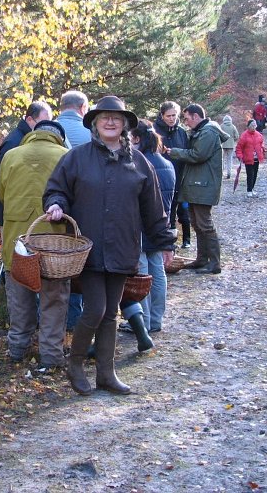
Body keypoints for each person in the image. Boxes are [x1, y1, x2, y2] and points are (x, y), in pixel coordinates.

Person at [44, 96, 175, 396]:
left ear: (126, 124)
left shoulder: (139, 162)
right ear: (94, 123)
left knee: (110, 312)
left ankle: (106, 373)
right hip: (87, 249)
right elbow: (56, 190)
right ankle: (75, 365)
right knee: (95, 309)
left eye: (117, 118)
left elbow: (154, 210)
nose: (111, 121)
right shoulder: (76, 158)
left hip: (123, 248)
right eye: (104, 117)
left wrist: (165, 243)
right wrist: (55, 205)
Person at [0, 120, 70, 368]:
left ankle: (17, 349)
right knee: (54, 299)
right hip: (54, 241)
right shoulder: (66, 155)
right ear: (58, 137)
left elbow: (1, 193)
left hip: (17, 239)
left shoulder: (11, 155)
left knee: (19, 297)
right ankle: (50, 356)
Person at [166, 103, 228, 275]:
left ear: (195, 116)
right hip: (198, 185)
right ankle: (202, 259)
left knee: (205, 224)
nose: (185, 122)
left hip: (204, 185)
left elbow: (197, 155)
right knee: (197, 223)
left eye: (186, 118)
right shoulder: (202, 131)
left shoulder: (208, 132)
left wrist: (174, 152)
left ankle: (214, 263)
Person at [128, 121, 176, 337]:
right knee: (158, 273)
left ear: (136, 139)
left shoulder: (138, 164)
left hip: (140, 227)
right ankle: (156, 319)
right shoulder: (167, 164)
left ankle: (143, 322)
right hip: (160, 225)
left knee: (142, 275)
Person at [0, 101, 52, 226]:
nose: (46, 128)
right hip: (10, 209)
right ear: (29, 119)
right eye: (42, 123)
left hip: (20, 208)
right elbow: (0, 169)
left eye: (49, 123)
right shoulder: (15, 141)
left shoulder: (27, 138)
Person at [55, 90, 91, 331]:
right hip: (84, 210)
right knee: (82, 264)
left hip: (53, 209)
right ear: (83, 107)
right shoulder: (91, 133)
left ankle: (52, 318)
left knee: (56, 266)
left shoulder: (46, 129)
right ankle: (77, 319)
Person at [153, 101, 191, 249]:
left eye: (174, 115)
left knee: (183, 209)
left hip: (180, 174)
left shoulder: (181, 132)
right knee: (167, 211)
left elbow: (187, 152)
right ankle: (168, 243)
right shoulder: (155, 130)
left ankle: (186, 239)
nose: (171, 118)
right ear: (162, 115)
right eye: (168, 115)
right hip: (161, 177)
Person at [236, 119, 266, 198]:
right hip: (248, 159)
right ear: (248, 126)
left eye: (255, 125)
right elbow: (239, 148)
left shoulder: (259, 135)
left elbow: (261, 144)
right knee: (250, 175)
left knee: (255, 174)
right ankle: (249, 190)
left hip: (257, 158)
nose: (254, 127)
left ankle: (252, 189)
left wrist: (263, 149)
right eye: (252, 125)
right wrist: (240, 156)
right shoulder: (244, 135)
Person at [220, 115, 240, 179]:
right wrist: (233, 140)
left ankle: (221, 173)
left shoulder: (221, 126)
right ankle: (229, 173)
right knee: (229, 159)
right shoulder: (233, 126)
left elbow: (218, 135)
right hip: (231, 145)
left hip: (223, 145)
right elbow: (237, 136)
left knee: (222, 160)